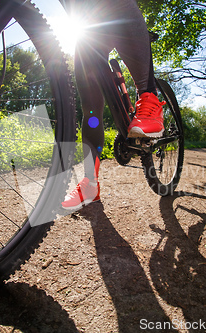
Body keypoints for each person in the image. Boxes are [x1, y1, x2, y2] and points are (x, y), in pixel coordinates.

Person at [60, 0, 166, 210]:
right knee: (90, 108)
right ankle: (90, 184)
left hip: (110, 13)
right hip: (87, 27)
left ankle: (149, 96)